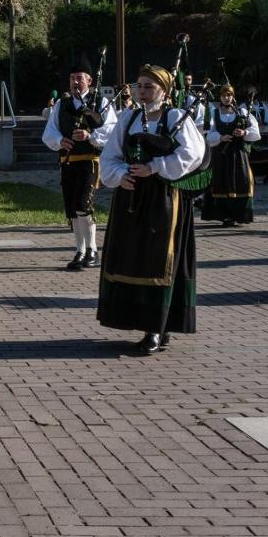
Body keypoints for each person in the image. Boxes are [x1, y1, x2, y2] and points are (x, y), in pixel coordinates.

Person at [97, 64, 206, 354]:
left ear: (164, 91)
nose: (142, 92)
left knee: (158, 261)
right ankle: (137, 318)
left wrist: (155, 167)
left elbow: (194, 154)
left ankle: (158, 327)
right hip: (131, 199)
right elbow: (110, 155)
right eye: (140, 86)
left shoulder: (175, 117)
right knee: (132, 257)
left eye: (149, 86)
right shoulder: (128, 117)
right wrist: (122, 174)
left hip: (164, 200)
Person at [41, 54, 117, 271]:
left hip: (90, 162)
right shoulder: (61, 105)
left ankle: (92, 249)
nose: (75, 82)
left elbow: (112, 130)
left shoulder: (101, 103)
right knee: (73, 209)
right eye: (72, 78)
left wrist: (90, 136)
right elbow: (49, 133)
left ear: (89, 81)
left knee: (84, 205)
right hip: (67, 162)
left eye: (80, 78)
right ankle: (80, 250)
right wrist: (59, 140)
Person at [201, 84, 261, 226]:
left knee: (239, 180)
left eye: (229, 95)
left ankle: (238, 215)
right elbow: (209, 134)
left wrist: (244, 132)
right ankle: (224, 216)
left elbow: (255, 132)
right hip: (221, 155)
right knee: (221, 181)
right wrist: (220, 138)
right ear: (220, 97)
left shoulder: (242, 112)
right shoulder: (215, 112)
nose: (226, 98)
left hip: (238, 154)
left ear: (233, 97)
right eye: (223, 96)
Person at [246, 86, 268, 184]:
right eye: (251, 94)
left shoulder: (262, 105)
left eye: (255, 93)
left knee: (267, 154)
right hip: (252, 135)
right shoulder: (244, 106)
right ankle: (252, 177)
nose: (253, 96)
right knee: (253, 157)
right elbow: (244, 120)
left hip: (263, 135)